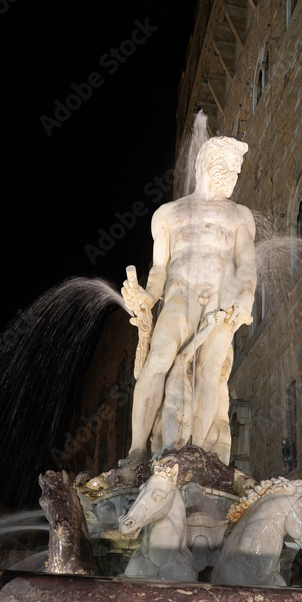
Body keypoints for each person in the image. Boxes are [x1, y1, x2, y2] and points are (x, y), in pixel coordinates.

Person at [121, 136, 256, 465]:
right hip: (180, 292)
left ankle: (197, 455)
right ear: (212, 164)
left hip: (222, 298)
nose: (237, 177)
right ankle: (137, 451)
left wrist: (245, 297)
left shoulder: (239, 216)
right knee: (158, 360)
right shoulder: (168, 214)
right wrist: (148, 297)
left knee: (210, 372)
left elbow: (248, 264)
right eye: (233, 170)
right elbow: (159, 269)